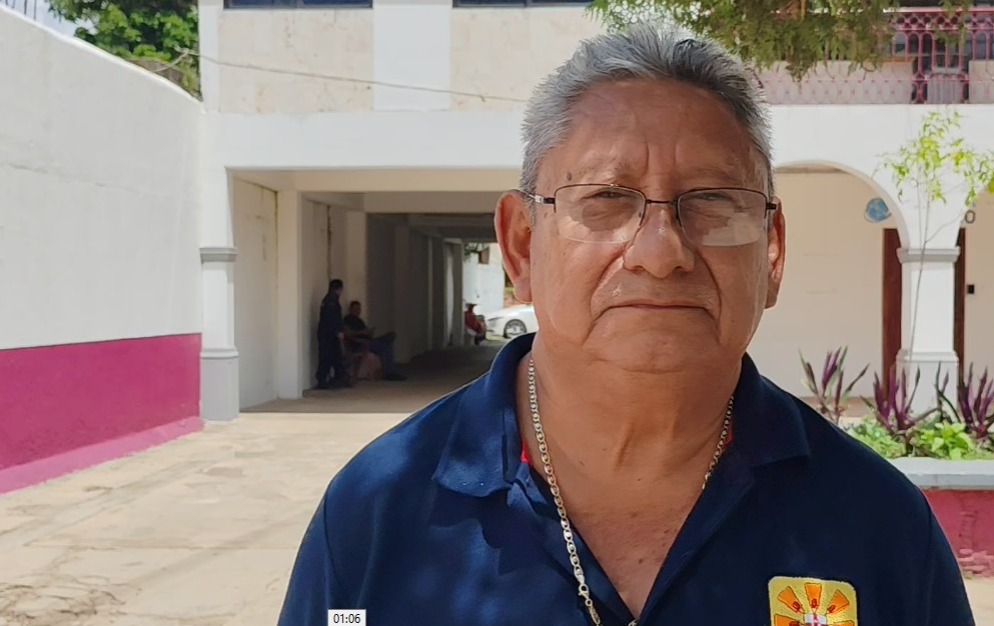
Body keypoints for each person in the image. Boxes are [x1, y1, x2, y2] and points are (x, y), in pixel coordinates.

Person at [279, 24, 973, 626]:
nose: (661, 253)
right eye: (607, 199)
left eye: (712, 200)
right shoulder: (376, 513)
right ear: (521, 245)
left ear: (772, 251)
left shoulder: (880, 527)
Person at [343, 300, 406, 381]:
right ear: (351, 309)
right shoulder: (347, 319)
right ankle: (389, 373)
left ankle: (389, 371)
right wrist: (362, 332)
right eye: (356, 309)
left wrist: (369, 333)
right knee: (386, 347)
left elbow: (366, 334)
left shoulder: (360, 321)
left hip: (368, 341)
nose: (358, 311)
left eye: (359, 309)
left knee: (388, 341)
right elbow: (348, 334)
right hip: (359, 344)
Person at [314, 279, 350, 389]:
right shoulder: (332, 301)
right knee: (329, 357)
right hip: (330, 335)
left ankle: (334, 378)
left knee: (330, 357)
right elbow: (333, 319)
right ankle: (326, 380)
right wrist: (338, 331)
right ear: (339, 289)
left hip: (326, 334)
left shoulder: (328, 299)